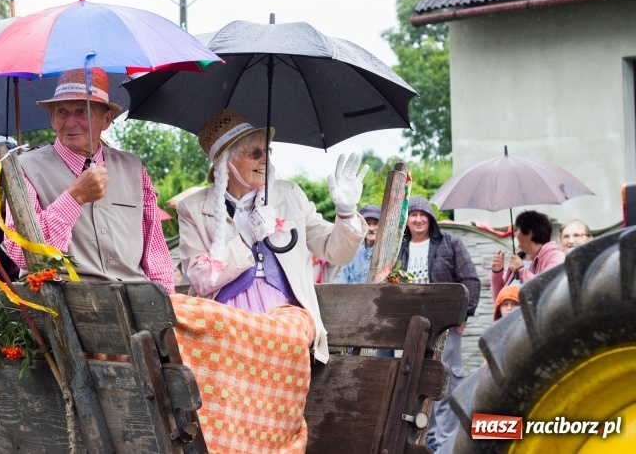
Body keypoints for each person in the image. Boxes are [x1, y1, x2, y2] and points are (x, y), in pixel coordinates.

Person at [176, 108, 369, 364]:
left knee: (279, 336)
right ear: (227, 161)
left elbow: (336, 252)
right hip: (225, 316)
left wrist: (346, 213)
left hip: (284, 316)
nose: (265, 159)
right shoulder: (192, 208)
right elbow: (201, 281)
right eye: (255, 153)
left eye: (267, 151)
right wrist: (246, 236)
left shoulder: (290, 195)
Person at [2, 68, 174, 294]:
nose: (71, 122)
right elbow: (21, 252)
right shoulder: (24, 168)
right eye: (62, 112)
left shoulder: (133, 168)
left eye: (83, 111)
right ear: (52, 119)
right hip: (63, 302)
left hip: (137, 300)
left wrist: (168, 302)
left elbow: (155, 252)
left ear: (107, 119)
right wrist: (75, 197)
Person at [397, 195, 480, 453]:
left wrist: (464, 315)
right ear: (407, 220)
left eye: (423, 215)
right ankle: (426, 442)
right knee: (417, 383)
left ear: (431, 219)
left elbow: (470, 279)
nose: (419, 219)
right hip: (413, 328)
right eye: (413, 215)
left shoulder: (450, 243)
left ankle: (449, 443)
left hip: (447, 326)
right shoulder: (400, 248)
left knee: (448, 381)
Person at [490, 210, 565, 301]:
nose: (515, 234)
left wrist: (521, 271)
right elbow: (499, 298)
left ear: (529, 233)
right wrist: (497, 272)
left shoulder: (555, 257)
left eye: (518, 229)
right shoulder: (519, 258)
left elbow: (547, 289)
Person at [338, 204, 381, 283]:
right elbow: (341, 282)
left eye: (375, 223)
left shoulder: (387, 255)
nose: (371, 228)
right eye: (367, 224)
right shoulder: (352, 254)